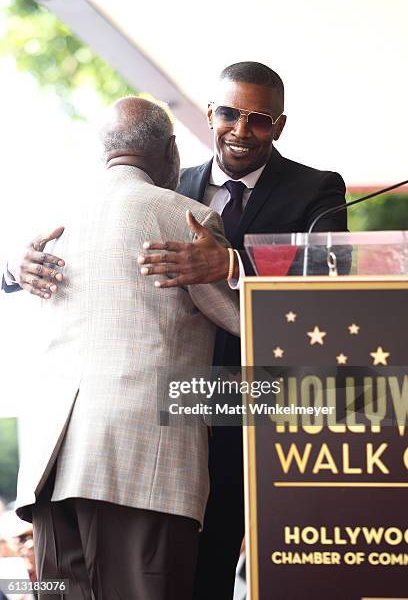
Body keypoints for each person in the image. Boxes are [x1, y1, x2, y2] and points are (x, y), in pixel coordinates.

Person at [3, 62, 347, 599]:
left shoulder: (317, 189)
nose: (240, 129)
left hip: (261, 410)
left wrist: (234, 266)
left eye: (258, 120)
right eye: (230, 114)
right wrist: (11, 270)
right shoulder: (173, 189)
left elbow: (332, 275)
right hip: (163, 428)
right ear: (208, 116)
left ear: (279, 125)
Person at [13, 96, 240, 599]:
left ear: (105, 153)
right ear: (171, 152)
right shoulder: (188, 218)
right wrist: (229, 266)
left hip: (51, 468)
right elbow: (246, 322)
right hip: (143, 468)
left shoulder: (54, 219)